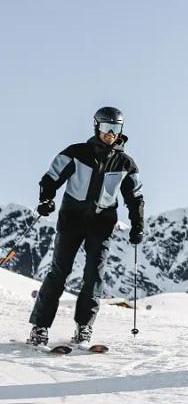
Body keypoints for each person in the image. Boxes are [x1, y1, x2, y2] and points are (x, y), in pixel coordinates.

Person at [28, 107, 144, 346]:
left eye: (116, 128)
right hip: (72, 220)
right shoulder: (76, 153)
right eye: (106, 127)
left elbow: (135, 197)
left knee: (94, 276)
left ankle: (84, 327)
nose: (110, 133)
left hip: (102, 225)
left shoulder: (126, 164)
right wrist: (47, 199)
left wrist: (137, 225)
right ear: (96, 127)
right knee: (59, 273)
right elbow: (51, 178)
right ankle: (39, 327)